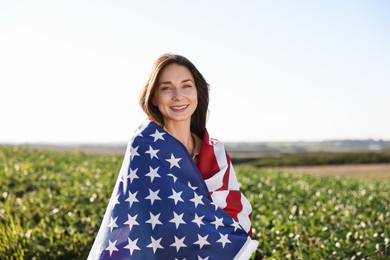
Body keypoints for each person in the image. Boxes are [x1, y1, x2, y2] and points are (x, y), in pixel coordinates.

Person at [88, 53, 258, 260]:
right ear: (153, 96)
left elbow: (233, 212)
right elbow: (138, 218)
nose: (178, 96)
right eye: (167, 88)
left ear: (198, 92)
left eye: (186, 86)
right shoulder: (145, 145)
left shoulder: (216, 152)